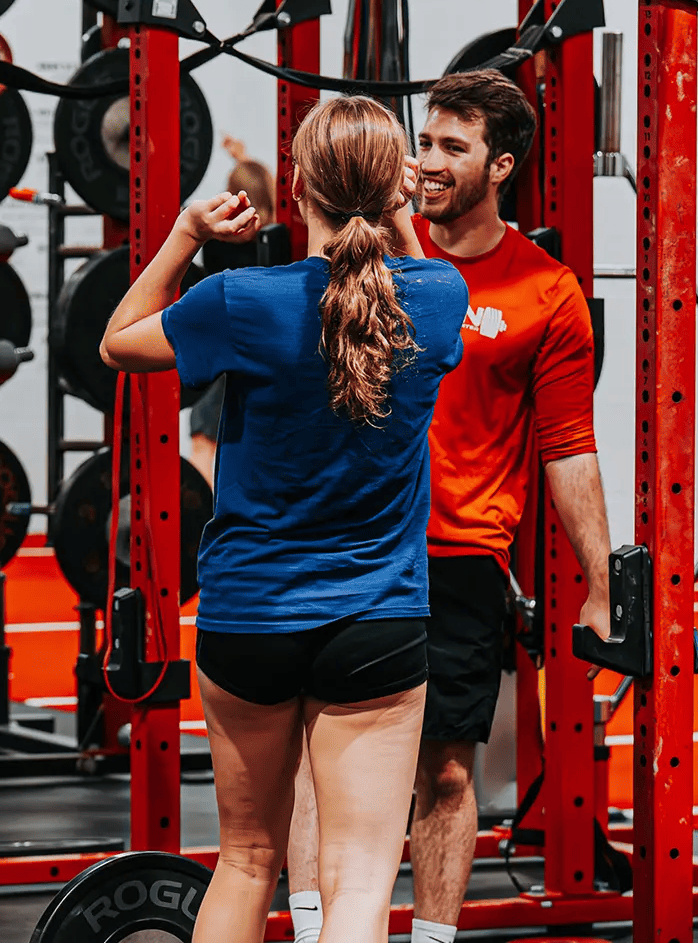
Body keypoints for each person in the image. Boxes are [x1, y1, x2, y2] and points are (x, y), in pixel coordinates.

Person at [100, 96, 468, 943]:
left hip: (250, 617)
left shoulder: (241, 299)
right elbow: (411, 275)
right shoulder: (440, 296)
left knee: (248, 860)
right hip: (375, 621)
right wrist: (401, 215)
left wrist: (188, 234)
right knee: (360, 879)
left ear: (298, 183)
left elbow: (118, 341)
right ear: (394, 188)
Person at [280, 70, 615, 943]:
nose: (426, 162)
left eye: (450, 148)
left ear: (499, 166)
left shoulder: (547, 293)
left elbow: (569, 446)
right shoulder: (364, 258)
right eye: (423, 141)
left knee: (449, 774)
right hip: (351, 540)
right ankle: (322, 933)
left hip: (460, 553)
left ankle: (431, 939)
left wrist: (602, 582)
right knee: (320, 760)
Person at [187, 135, 279, 487]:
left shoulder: (227, 244)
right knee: (206, 445)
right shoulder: (260, 243)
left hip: (239, 358)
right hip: (234, 360)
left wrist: (241, 159)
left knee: (216, 446)